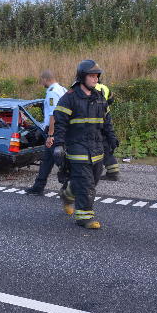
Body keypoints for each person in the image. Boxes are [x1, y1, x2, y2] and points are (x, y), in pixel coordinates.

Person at [52, 60, 118, 229]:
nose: (95, 79)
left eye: (97, 76)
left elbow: (107, 121)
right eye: (92, 76)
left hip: (96, 147)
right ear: (82, 77)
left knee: (92, 180)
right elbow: (60, 124)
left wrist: (111, 137)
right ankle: (84, 217)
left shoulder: (99, 98)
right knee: (86, 183)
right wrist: (58, 145)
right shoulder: (69, 98)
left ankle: (67, 195)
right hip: (77, 147)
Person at [26, 70, 68, 195]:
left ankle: (69, 186)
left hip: (54, 131)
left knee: (61, 160)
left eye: (41, 80)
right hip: (62, 129)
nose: (41, 83)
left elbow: (53, 115)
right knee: (47, 160)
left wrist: (50, 135)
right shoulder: (62, 89)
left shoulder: (52, 93)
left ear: (45, 79)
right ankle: (38, 187)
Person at [95, 82, 120, 181]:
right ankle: (113, 171)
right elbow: (111, 99)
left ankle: (110, 173)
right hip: (106, 115)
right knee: (107, 143)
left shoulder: (84, 86)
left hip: (94, 118)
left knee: (100, 144)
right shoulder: (104, 87)